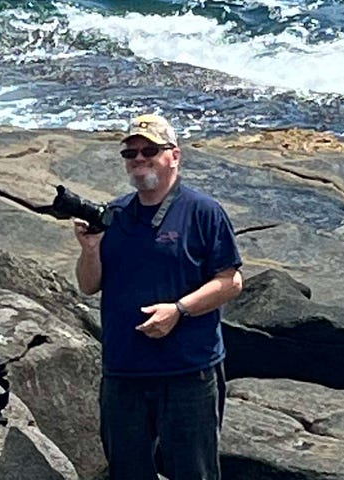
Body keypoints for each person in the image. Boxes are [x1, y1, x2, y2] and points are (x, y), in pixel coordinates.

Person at [72, 113, 244, 480]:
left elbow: (231, 282)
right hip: (124, 371)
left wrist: (178, 310)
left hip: (187, 372)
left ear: (174, 156)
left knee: (193, 472)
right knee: (127, 471)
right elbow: (89, 285)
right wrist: (89, 250)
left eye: (149, 150)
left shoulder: (203, 212)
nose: (138, 159)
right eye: (130, 152)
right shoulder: (115, 214)